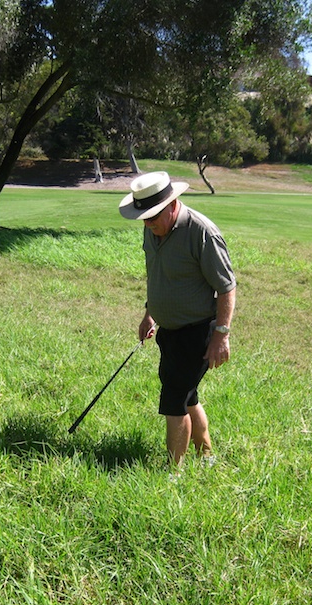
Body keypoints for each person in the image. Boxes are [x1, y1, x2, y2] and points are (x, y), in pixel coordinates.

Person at [118, 171, 237, 470]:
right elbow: (159, 277)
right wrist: (149, 313)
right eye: (143, 217)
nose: (147, 223)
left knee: (173, 400)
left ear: (172, 205)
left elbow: (226, 287)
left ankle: (173, 471)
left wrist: (221, 336)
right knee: (187, 396)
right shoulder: (153, 227)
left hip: (197, 331)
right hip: (168, 331)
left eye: (153, 216)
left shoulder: (201, 233)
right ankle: (206, 454)